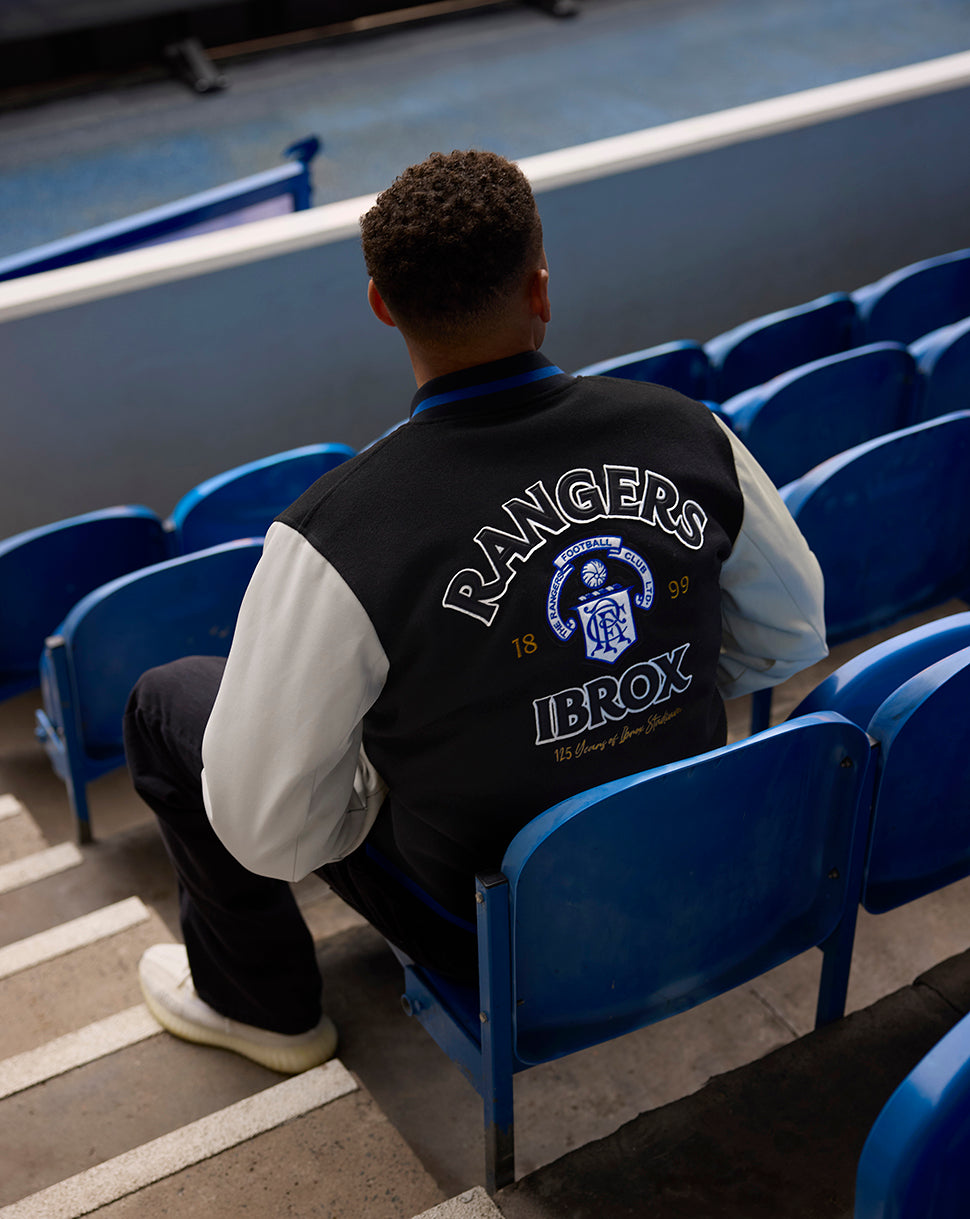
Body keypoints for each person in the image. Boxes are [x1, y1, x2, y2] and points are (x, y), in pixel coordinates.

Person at [125, 148, 828, 1075]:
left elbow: (267, 833)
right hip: (688, 852)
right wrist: (634, 705)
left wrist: (383, 783)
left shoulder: (334, 535)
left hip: (486, 926)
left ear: (382, 305)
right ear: (540, 288)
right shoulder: (686, 429)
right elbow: (791, 637)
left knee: (168, 698)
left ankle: (264, 1009)